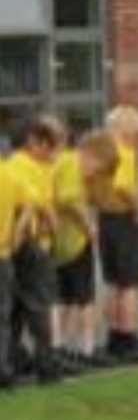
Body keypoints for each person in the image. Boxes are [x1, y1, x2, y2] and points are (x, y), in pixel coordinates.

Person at [52, 129, 118, 366]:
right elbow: (68, 199)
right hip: (74, 242)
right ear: (90, 154)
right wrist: (89, 225)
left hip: (61, 243)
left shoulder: (65, 162)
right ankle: (86, 349)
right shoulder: (71, 163)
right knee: (84, 299)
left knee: (65, 299)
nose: (95, 173)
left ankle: (60, 348)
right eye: (97, 167)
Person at [7, 118, 61, 383]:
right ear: (33, 142)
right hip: (34, 244)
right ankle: (46, 366)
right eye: (49, 146)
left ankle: (12, 362)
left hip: (12, 248)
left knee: (14, 307)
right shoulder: (32, 168)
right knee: (39, 306)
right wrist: (53, 228)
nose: (52, 153)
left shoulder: (9, 165)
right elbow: (40, 204)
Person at [95, 105, 138, 360]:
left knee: (114, 282)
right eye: (137, 129)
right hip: (123, 220)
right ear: (129, 129)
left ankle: (113, 335)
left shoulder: (101, 154)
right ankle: (128, 336)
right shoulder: (124, 154)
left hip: (104, 219)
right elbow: (123, 186)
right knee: (129, 283)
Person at [0, 154, 36, 389]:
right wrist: (19, 230)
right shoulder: (9, 174)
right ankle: (3, 370)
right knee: (2, 317)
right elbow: (30, 205)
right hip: (2, 256)